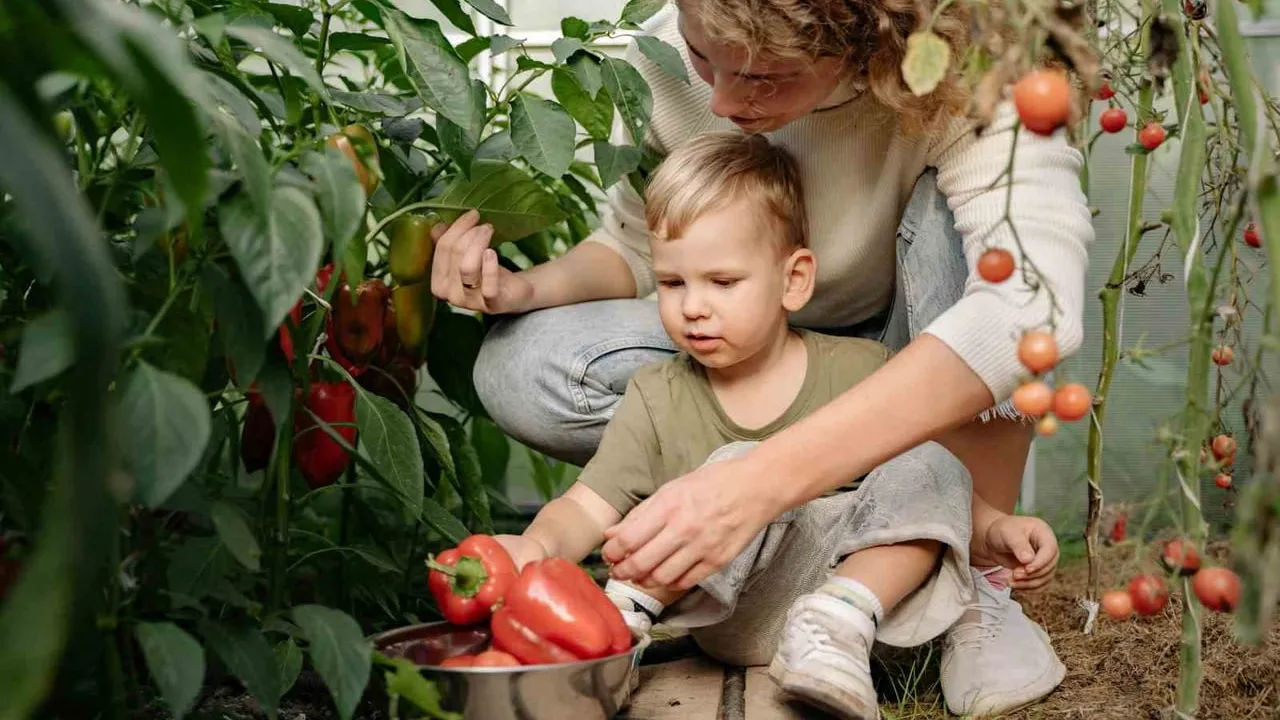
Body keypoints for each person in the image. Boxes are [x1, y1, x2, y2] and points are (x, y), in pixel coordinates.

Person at [430, 0, 1092, 715]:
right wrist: (524, 288)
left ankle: (971, 590)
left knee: (985, 249)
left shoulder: (976, 72)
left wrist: (756, 482)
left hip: (909, 347)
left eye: (764, 76)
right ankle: (715, 568)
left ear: (866, 38)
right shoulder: (667, 61)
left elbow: (1031, 305)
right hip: (751, 348)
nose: (719, 100)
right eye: (702, 57)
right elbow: (635, 243)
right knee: (520, 361)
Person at [491, 131, 1059, 720]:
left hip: (859, 615)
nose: (692, 307)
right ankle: (619, 626)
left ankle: (836, 622)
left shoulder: (862, 370)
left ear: (794, 280)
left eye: (723, 282)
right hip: (732, 613)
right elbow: (586, 507)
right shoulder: (657, 394)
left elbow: (930, 489)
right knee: (732, 468)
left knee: (932, 459)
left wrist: (994, 530)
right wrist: (537, 545)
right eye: (672, 283)